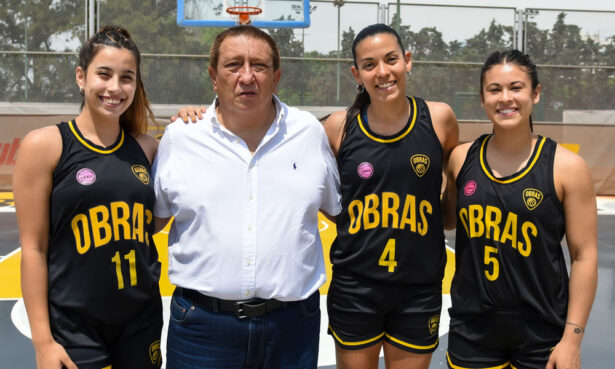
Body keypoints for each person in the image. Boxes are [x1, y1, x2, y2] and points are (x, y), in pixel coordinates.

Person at [152, 25, 341, 369]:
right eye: (233, 65)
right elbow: (152, 220)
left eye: (259, 66)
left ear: (277, 77)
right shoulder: (180, 137)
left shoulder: (308, 133)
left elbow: (338, 210)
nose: (247, 76)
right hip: (201, 327)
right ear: (213, 76)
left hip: (292, 326)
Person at [14, 26, 162, 369]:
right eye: (104, 74)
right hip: (73, 325)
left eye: (127, 78)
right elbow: (33, 249)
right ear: (81, 77)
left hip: (140, 319)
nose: (115, 87)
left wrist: (190, 116)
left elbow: (153, 222)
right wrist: (42, 342)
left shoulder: (148, 149)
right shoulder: (45, 145)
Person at [445, 50, 598, 369]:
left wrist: (572, 340)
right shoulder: (461, 159)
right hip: (473, 330)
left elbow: (584, 256)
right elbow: (444, 220)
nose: (506, 98)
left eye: (516, 87)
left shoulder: (567, 168)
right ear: (482, 97)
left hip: (543, 332)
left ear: (536, 93)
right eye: (494, 89)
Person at [321, 24, 458, 369]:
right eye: (369, 65)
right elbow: (321, 195)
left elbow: (452, 199)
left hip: (419, 287)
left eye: (391, 59)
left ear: (407, 61)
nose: (382, 72)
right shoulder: (339, 127)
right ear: (357, 73)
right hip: (356, 287)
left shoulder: (439, 118)